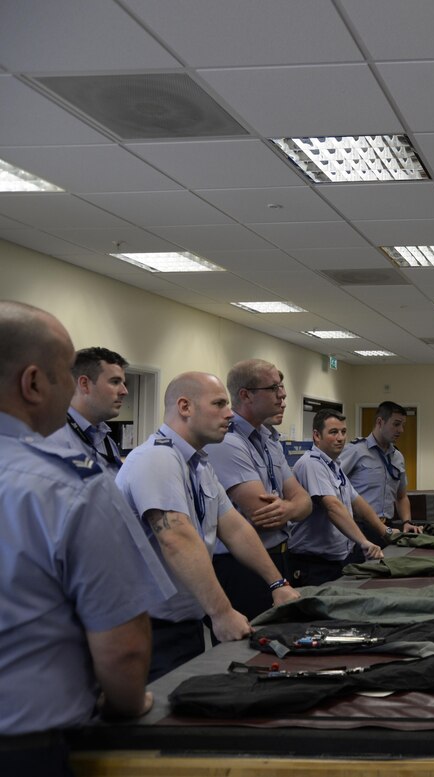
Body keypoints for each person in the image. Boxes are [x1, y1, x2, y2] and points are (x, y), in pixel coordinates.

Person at [0, 302, 159, 774]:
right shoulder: (70, 485)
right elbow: (123, 646)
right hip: (25, 749)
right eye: (65, 376)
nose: (72, 389)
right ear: (33, 383)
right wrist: (129, 703)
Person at [116, 371, 300, 681]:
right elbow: (176, 538)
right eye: (218, 404)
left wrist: (277, 585)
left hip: (183, 622)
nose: (229, 413)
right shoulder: (157, 458)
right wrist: (222, 612)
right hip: (150, 630)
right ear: (185, 407)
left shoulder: (198, 465)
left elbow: (235, 528)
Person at [205, 359, 312, 618]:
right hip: (242, 566)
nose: (283, 394)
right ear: (246, 395)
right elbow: (263, 516)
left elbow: (305, 501)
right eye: (274, 387)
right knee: (250, 639)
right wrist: (292, 507)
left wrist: (288, 508)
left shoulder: (268, 439)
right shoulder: (228, 441)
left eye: (281, 387)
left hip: (279, 557)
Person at [287, 410, 385, 585]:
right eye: (333, 432)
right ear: (317, 436)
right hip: (313, 564)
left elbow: (358, 502)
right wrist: (363, 541)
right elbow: (332, 507)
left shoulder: (333, 466)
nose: (340, 438)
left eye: (343, 432)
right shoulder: (312, 464)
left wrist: (386, 531)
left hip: (335, 562)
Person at [339, 401, 423, 543]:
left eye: (403, 425)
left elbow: (401, 496)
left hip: (387, 527)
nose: (401, 430)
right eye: (396, 424)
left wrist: (406, 521)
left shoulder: (397, 457)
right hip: (359, 527)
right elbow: (334, 486)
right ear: (380, 422)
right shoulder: (355, 451)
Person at [46, 346, 129, 475]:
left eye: (123, 383)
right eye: (115, 382)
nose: (124, 391)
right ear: (84, 384)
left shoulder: (108, 442)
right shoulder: (51, 438)